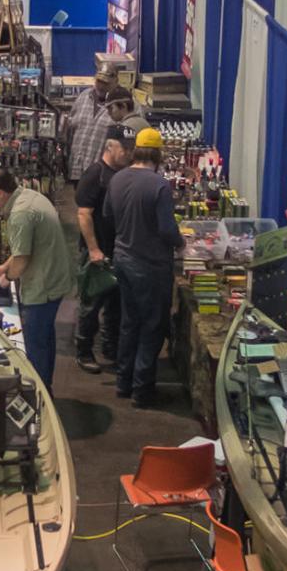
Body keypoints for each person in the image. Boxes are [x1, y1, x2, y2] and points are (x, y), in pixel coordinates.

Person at [104, 128, 181, 408]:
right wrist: (182, 243)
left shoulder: (117, 179)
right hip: (151, 266)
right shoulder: (159, 185)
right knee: (152, 326)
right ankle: (142, 390)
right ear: (158, 154)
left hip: (123, 259)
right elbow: (167, 229)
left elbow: (107, 215)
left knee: (129, 322)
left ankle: (123, 383)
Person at [0, 168, 74, 395]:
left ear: (0, 193)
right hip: (55, 280)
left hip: (42, 286)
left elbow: (22, 260)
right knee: (45, 338)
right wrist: (4, 266)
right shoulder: (31, 197)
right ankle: (45, 388)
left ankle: (38, 394)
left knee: (35, 344)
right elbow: (27, 247)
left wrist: (8, 277)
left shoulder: (20, 214)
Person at [75, 125, 134, 374]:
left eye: (132, 149)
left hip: (118, 250)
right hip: (97, 252)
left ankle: (111, 347)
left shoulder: (124, 173)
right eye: (125, 148)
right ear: (110, 146)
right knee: (91, 305)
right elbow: (83, 214)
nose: (128, 153)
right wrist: (93, 249)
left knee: (116, 304)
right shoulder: (96, 174)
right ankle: (84, 351)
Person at [66, 72, 116, 187]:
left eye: (105, 83)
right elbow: (71, 124)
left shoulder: (122, 104)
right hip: (78, 169)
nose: (101, 86)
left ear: (115, 83)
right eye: (99, 81)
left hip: (103, 175)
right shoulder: (84, 96)